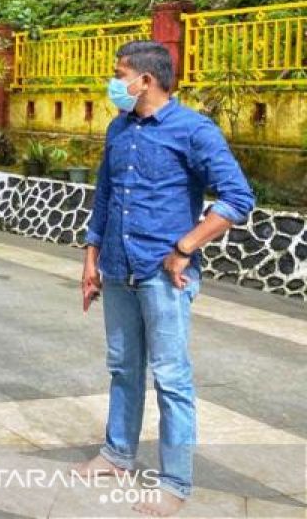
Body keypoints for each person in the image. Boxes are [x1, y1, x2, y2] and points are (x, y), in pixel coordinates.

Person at [77, 41, 254, 517]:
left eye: (120, 75)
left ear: (146, 80)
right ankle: (117, 455)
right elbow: (105, 197)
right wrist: (91, 260)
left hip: (163, 274)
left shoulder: (194, 130)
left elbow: (237, 199)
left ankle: (174, 482)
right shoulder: (120, 127)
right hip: (117, 268)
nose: (114, 84)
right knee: (122, 368)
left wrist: (185, 248)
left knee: (171, 379)